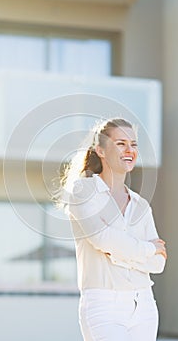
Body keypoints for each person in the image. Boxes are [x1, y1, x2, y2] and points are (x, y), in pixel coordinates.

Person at [59, 117, 167, 341]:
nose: (130, 150)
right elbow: (101, 239)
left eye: (134, 144)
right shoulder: (83, 191)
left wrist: (118, 250)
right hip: (103, 304)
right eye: (121, 143)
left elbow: (159, 263)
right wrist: (147, 249)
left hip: (144, 305)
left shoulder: (140, 205)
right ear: (100, 150)